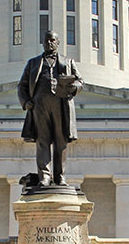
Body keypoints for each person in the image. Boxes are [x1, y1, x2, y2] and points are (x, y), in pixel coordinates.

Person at [18, 30, 82, 187]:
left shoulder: (68, 62)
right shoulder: (33, 63)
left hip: (61, 105)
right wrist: (26, 102)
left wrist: (74, 87)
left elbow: (80, 81)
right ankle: (44, 177)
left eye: (52, 40)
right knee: (43, 141)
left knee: (61, 142)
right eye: (46, 41)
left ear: (58, 43)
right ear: (43, 43)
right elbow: (22, 85)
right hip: (40, 106)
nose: (49, 43)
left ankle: (60, 176)